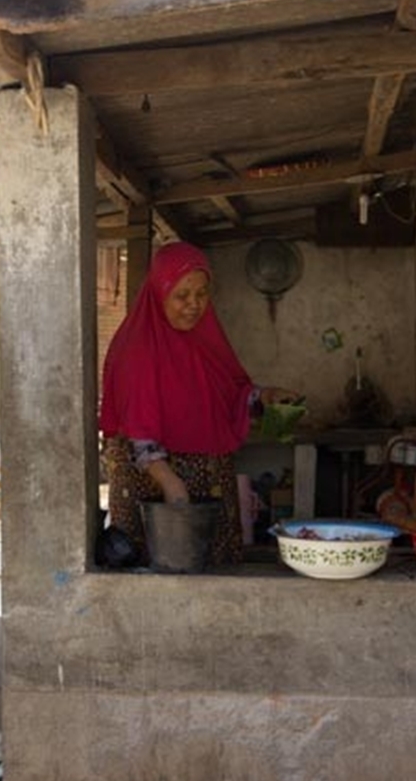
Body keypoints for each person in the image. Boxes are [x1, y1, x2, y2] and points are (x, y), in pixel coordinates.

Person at [99, 241, 299, 566]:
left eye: (202, 294)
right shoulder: (137, 348)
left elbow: (228, 394)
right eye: (182, 296)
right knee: (159, 582)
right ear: (159, 292)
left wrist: (264, 396)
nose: (194, 305)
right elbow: (139, 429)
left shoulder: (205, 340)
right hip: (156, 490)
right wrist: (171, 486)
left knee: (215, 582)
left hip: (207, 486)